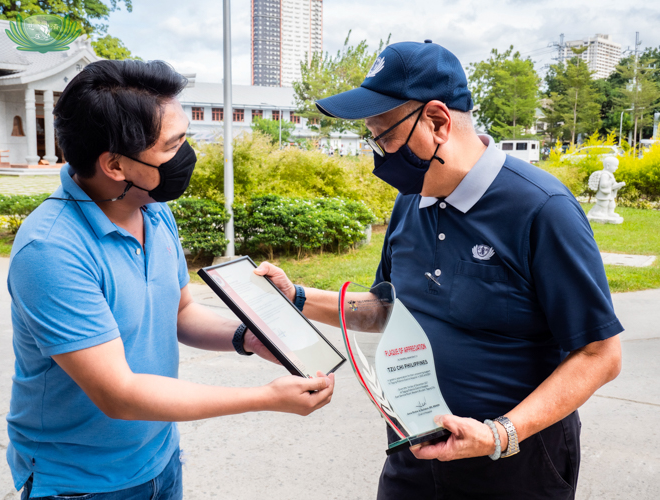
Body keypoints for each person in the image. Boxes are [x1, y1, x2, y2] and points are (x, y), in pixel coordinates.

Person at [255, 40, 622, 499]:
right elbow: (387, 309)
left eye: (384, 135)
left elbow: (599, 355)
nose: (379, 154)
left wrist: (499, 434)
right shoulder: (411, 200)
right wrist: (298, 298)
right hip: (413, 452)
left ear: (437, 121)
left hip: (515, 462)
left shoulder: (542, 209)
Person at [6, 59, 334, 499]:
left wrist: (247, 337)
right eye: (173, 144)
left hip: (159, 458)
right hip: (81, 482)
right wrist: (265, 398)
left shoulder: (152, 208)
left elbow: (180, 311)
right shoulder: (51, 250)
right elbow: (118, 394)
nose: (186, 154)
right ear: (115, 165)